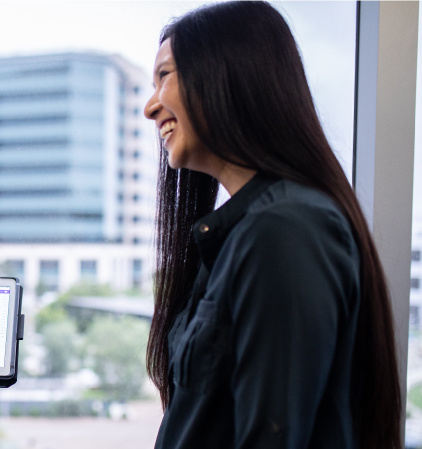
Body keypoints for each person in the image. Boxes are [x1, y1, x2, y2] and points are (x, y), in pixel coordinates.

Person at [142, 2, 400, 449]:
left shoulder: (283, 230)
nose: (150, 108)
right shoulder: (241, 235)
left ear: (227, 74)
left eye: (164, 76)